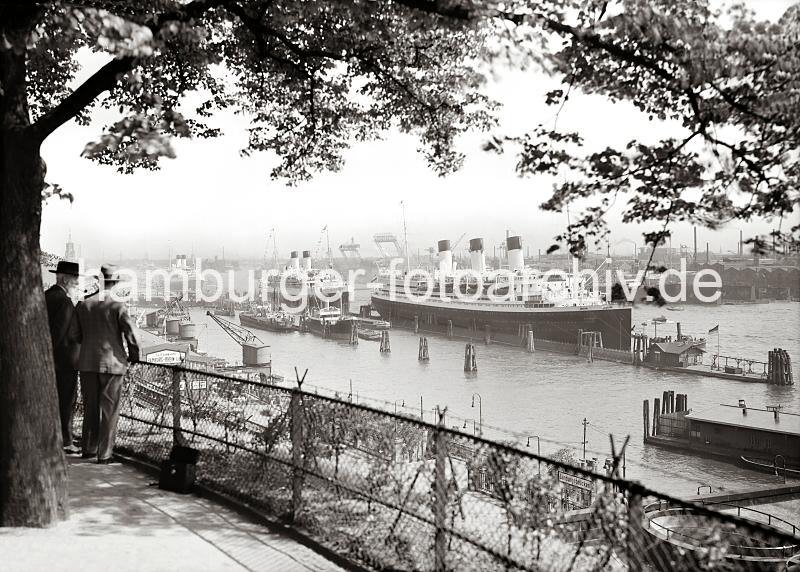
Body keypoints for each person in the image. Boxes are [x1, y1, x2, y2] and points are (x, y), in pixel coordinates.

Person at [70, 265, 139, 464]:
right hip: (113, 364)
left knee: (90, 407)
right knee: (109, 410)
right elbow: (131, 336)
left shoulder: (83, 304)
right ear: (116, 282)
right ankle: (104, 454)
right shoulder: (118, 305)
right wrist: (134, 356)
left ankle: (89, 449)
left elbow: (74, 335)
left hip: (88, 363)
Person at [45, 260, 82, 454]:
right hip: (65, 361)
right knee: (67, 401)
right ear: (66, 279)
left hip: (50, 360)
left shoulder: (46, 296)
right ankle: (66, 440)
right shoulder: (65, 302)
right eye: (75, 279)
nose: (77, 283)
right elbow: (59, 333)